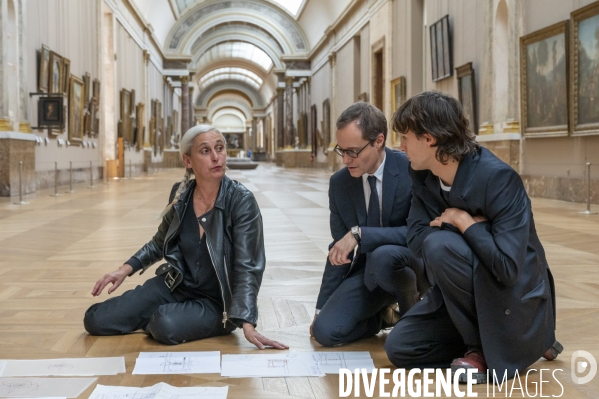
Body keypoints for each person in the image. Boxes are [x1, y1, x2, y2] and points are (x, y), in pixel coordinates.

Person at [385, 91, 561, 382]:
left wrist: (461, 220)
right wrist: (474, 228)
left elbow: (507, 267)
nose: (400, 146)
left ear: (429, 139)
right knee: (400, 348)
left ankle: (480, 349)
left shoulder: (498, 179)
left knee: (440, 245)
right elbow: (416, 242)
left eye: (405, 137)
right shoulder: (422, 175)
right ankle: (511, 343)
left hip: (511, 294)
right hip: (460, 290)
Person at [84, 124, 287, 350]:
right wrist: (123, 269)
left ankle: (165, 317)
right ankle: (160, 315)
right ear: (187, 161)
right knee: (95, 320)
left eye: (219, 148)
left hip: (217, 302)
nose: (216, 157)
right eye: (205, 151)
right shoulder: (180, 195)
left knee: (165, 324)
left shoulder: (241, 202)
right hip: (176, 285)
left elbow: (248, 266)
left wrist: (247, 321)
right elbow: (160, 242)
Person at [311, 102, 427, 347]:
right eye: (340, 150)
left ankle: (412, 316)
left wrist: (361, 234)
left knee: (384, 256)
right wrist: (321, 308)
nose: (345, 159)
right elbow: (339, 248)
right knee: (325, 332)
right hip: (369, 274)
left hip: (412, 268)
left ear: (378, 141)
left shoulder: (411, 170)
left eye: (352, 151)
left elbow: (419, 233)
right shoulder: (340, 184)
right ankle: (383, 318)